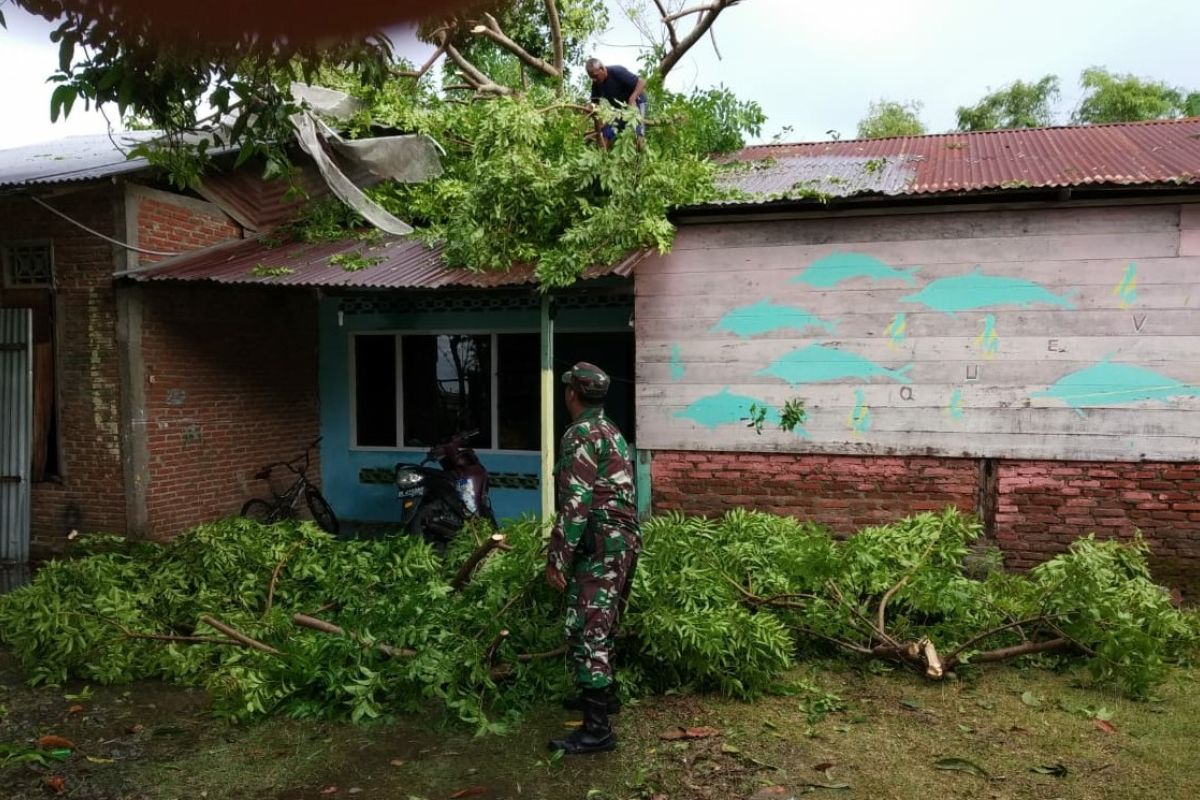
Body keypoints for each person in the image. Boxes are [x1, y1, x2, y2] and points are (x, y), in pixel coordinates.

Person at [546, 362, 641, 755]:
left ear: (571, 394)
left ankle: (597, 729)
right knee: (606, 621)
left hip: (601, 542)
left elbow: (575, 504)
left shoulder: (580, 435)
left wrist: (557, 558)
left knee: (589, 629)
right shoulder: (613, 432)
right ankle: (606, 696)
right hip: (625, 541)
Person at [585, 58, 647, 150]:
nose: (594, 80)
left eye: (596, 76)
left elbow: (642, 82)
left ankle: (639, 156)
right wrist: (590, 109)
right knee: (605, 134)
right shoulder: (596, 84)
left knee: (637, 135)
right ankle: (603, 159)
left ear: (602, 69)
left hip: (637, 103)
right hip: (622, 111)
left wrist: (632, 98)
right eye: (592, 78)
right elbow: (594, 106)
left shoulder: (617, 71)